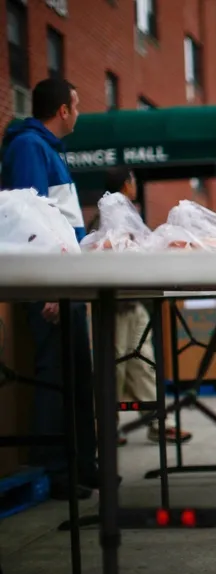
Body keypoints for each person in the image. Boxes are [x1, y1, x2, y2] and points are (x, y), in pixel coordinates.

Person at [0, 79, 97, 500]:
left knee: (77, 377)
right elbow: (30, 222)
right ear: (62, 110)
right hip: (50, 284)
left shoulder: (47, 149)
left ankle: (83, 465)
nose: (79, 113)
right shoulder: (28, 148)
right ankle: (55, 472)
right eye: (76, 105)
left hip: (66, 280)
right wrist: (52, 287)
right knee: (55, 376)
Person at [100, 167, 193, 446]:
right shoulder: (108, 215)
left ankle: (159, 422)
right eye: (133, 181)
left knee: (143, 362)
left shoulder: (128, 214)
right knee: (115, 365)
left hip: (134, 303)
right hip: (115, 304)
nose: (136, 185)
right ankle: (107, 426)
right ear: (126, 184)